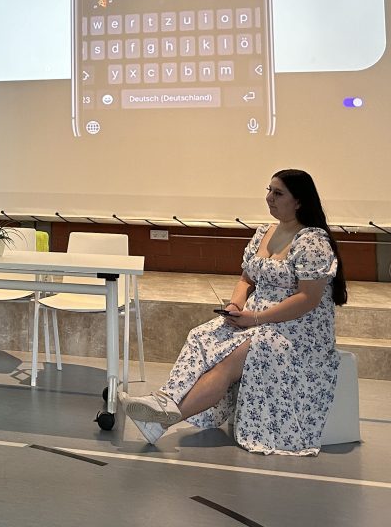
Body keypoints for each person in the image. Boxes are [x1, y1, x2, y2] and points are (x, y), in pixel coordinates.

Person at [120, 169, 348, 455]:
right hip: (255, 318)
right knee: (202, 334)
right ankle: (165, 401)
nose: (269, 198)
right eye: (269, 190)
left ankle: (164, 418)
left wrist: (256, 319)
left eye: (278, 193)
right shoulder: (265, 232)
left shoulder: (312, 241)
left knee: (237, 355)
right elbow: (246, 279)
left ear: (299, 201)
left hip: (297, 328)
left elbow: (307, 299)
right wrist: (235, 306)